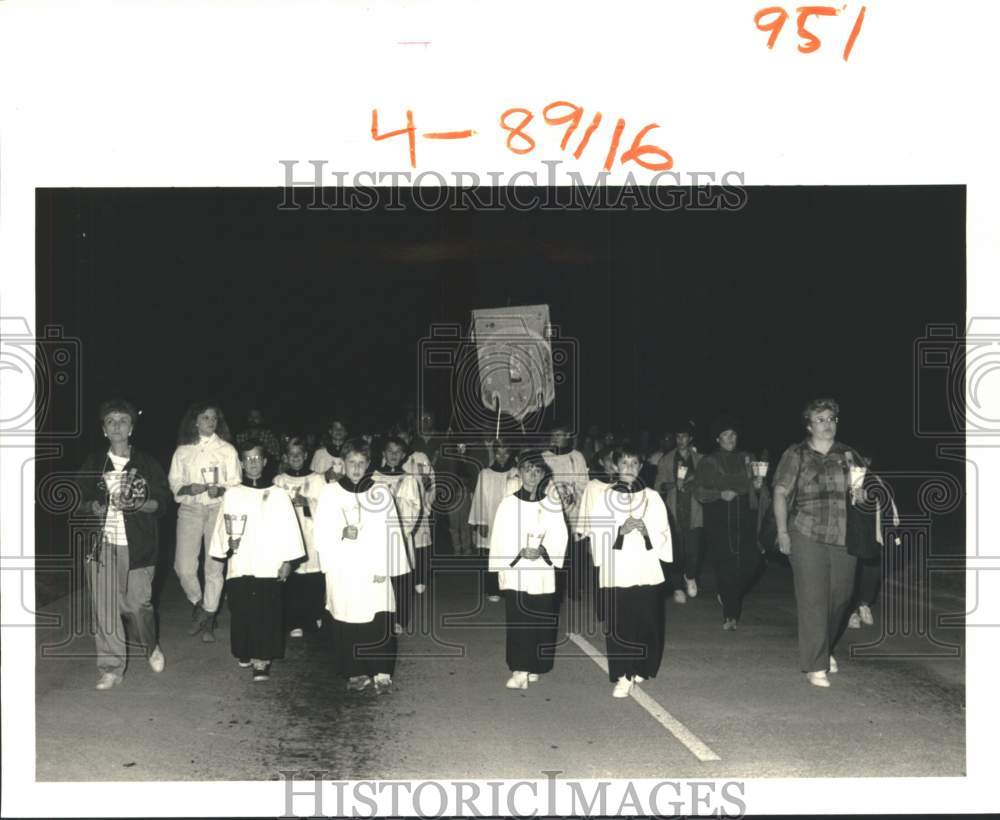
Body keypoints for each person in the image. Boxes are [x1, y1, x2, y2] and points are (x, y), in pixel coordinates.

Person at [75, 398, 172, 690]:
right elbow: (74, 501)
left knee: (137, 605)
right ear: (104, 430)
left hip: (139, 545)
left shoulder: (146, 462)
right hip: (101, 545)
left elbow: (163, 503)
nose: (117, 426)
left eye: (123, 421)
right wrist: (92, 505)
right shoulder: (94, 463)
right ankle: (111, 668)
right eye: (110, 421)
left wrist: (139, 504)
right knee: (105, 607)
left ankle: (150, 645)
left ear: (131, 428)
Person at [772, 398, 864, 688]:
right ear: (809, 425)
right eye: (821, 419)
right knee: (813, 600)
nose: (828, 424)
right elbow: (780, 493)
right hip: (805, 532)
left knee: (841, 598)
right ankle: (815, 665)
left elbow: (861, 494)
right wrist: (783, 533)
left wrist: (862, 494)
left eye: (832, 418)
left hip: (843, 536)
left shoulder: (849, 454)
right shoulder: (796, 454)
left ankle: (825, 648)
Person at [315, 438, 407, 693]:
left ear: (369, 464)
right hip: (342, 568)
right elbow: (320, 533)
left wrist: (386, 569)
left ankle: (381, 671)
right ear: (342, 464)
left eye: (361, 463)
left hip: (373, 568)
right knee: (346, 618)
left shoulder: (381, 492)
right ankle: (354, 671)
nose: (356, 468)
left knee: (377, 618)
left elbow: (392, 535)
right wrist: (341, 534)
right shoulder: (330, 493)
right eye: (351, 462)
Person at [207, 440, 303, 680]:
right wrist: (225, 546)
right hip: (242, 561)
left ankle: (263, 659)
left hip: (269, 562)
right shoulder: (233, 494)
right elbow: (222, 528)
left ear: (265, 462)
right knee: (242, 609)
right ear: (241, 463)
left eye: (257, 458)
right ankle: (246, 651)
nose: (252, 463)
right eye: (247, 459)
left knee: (267, 612)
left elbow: (290, 529)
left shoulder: (279, 495)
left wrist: (288, 561)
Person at [585, 444, 672, 698]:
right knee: (620, 623)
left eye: (634, 464)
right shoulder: (605, 499)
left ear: (641, 467)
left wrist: (646, 531)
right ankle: (623, 674)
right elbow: (597, 534)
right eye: (624, 464)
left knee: (647, 621)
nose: (629, 469)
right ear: (615, 467)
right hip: (618, 567)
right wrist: (619, 533)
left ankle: (642, 667)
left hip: (645, 567)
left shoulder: (652, 498)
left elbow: (664, 532)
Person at [489, 450, 568, 690]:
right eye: (528, 470)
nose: (532, 475)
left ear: (544, 474)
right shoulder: (508, 504)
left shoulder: (552, 504)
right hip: (517, 570)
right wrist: (518, 553)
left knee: (541, 619)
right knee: (519, 619)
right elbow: (500, 538)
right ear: (520, 473)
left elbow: (560, 536)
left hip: (542, 569)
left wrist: (543, 550)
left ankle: (536, 666)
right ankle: (519, 668)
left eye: (537, 471)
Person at [168, 401, 241, 642]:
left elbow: (236, 483)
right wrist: (188, 487)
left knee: (213, 566)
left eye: (214, 418)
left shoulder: (227, 450)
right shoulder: (183, 450)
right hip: (190, 509)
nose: (210, 422)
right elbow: (174, 481)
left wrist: (220, 490)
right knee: (183, 566)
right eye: (205, 418)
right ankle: (201, 604)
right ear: (195, 421)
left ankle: (208, 617)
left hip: (217, 511)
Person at [694, 415, 766, 631]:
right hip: (719, 517)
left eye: (733, 434)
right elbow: (698, 491)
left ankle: (727, 594)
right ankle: (730, 616)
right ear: (717, 439)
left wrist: (759, 485)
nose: (730, 438)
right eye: (725, 435)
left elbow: (759, 491)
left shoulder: (748, 458)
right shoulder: (709, 461)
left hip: (745, 517)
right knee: (726, 566)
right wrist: (718, 494)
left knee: (754, 562)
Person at [272, 437, 327, 638]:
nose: (295, 458)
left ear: (306, 456)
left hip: (310, 534)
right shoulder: (279, 481)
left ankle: (314, 614)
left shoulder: (317, 479)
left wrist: (306, 504)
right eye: (291, 454)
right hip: (288, 534)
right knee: (293, 580)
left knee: (313, 578)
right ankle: (295, 620)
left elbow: (325, 509)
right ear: (285, 457)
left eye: (299, 454)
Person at [370, 436, 421, 633]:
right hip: (377, 537)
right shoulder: (373, 477)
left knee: (400, 578)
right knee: (380, 577)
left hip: (401, 534)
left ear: (403, 456)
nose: (393, 455)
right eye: (389, 451)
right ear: (383, 453)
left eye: (397, 452)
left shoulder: (409, 479)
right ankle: (380, 615)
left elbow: (416, 507)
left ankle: (399, 618)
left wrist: (402, 526)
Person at [655, 420, 704, 603]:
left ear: (690, 438)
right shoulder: (667, 459)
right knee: (675, 552)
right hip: (673, 512)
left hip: (695, 511)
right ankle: (677, 588)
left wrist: (693, 481)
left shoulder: (700, 460)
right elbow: (658, 485)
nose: (681, 439)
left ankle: (689, 577)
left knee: (694, 551)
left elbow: (706, 482)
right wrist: (674, 483)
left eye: (684, 436)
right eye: (678, 436)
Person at [542, 422, 591, 601]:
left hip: (574, 509)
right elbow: (542, 482)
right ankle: (554, 588)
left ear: (567, 437)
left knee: (575, 551)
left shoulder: (576, 457)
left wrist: (573, 495)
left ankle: (575, 587)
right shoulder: (544, 457)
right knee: (555, 549)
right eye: (553, 434)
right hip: (552, 509)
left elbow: (583, 482)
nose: (556, 438)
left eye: (560, 434)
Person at [469, 440, 520, 603]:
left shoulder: (516, 473)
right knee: (490, 555)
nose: (502, 457)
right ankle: (492, 588)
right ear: (494, 453)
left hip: (510, 520)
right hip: (490, 518)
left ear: (510, 453)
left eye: (506, 453)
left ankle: (507, 587)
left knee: (508, 553)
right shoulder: (485, 474)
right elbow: (479, 498)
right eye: (498, 453)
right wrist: (481, 521)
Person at [434, 440, 482, 556]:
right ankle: (457, 548)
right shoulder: (447, 455)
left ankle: (466, 548)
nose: (461, 448)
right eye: (459, 445)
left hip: (464, 492)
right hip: (451, 492)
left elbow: (473, 475)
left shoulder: (470, 458)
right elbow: (440, 472)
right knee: (453, 524)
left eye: (463, 446)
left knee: (465, 523)